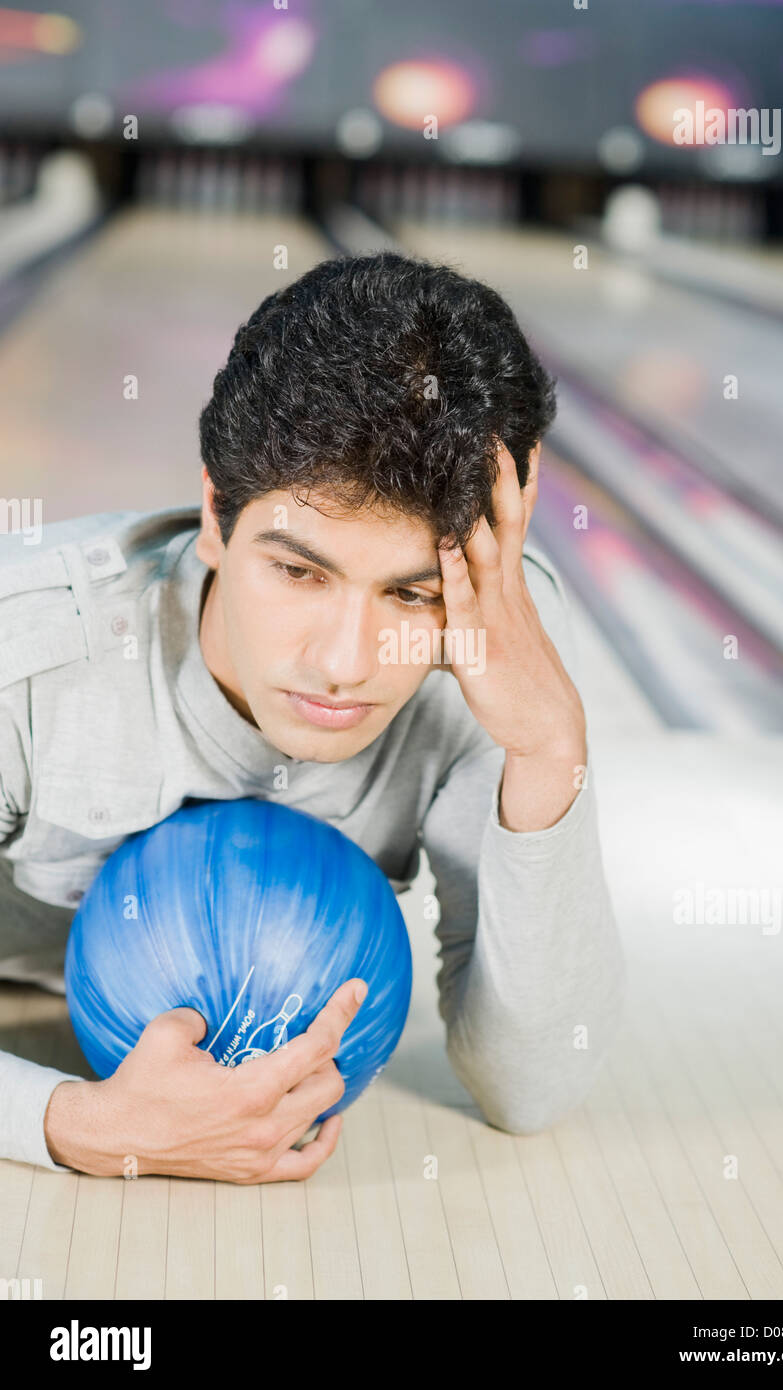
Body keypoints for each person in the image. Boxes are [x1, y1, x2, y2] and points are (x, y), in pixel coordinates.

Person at [0, 251, 626, 1183]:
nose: (346, 664)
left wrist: (550, 749)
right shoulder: (33, 651)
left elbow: (529, 1086)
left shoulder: (493, 653)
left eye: (411, 596)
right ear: (216, 514)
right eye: (299, 572)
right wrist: (68, 1124)